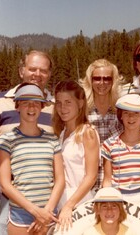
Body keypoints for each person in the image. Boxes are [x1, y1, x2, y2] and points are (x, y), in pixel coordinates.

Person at [0, 50, 54, 235]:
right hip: (3, 192)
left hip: (43, 192)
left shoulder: (57, 106)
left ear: (49, 74)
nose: (37, 74)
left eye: (43, 70)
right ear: (21, 71)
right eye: (32, 69)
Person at [0, 83, 65, 235]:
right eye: (25, 103)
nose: (31, 108)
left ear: (42, 107)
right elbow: (5, 184)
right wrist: (36, 212)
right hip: (21, 216)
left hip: (49, 213)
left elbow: (60, 180)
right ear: (17, 107)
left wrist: (46, 212)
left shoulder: (52, 139)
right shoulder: (7, 140)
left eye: (35, 103)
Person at [102, 93, 140, 230]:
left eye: (136, 114)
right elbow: (107, 180)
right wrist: (107, 204)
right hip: (119, 200)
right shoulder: (109, 144)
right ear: (121, 116)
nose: (131, 118)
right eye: (126, 113)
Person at [52, 80, 99, 231]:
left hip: (81, 204)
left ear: (80, 103)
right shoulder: (60, 133)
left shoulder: (87, 132)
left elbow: (91, 177)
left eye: (67, 102)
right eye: (58, 102)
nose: (62, 107)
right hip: (61, 202)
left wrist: (69, 206)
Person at [80, 59, 123, 193]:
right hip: (87, 185)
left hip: (118, 182)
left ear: (113, 81)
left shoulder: (121, 111)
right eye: (97, 78)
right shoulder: (82, 113)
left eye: (107, 79)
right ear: (90, 81)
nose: (102, 83)